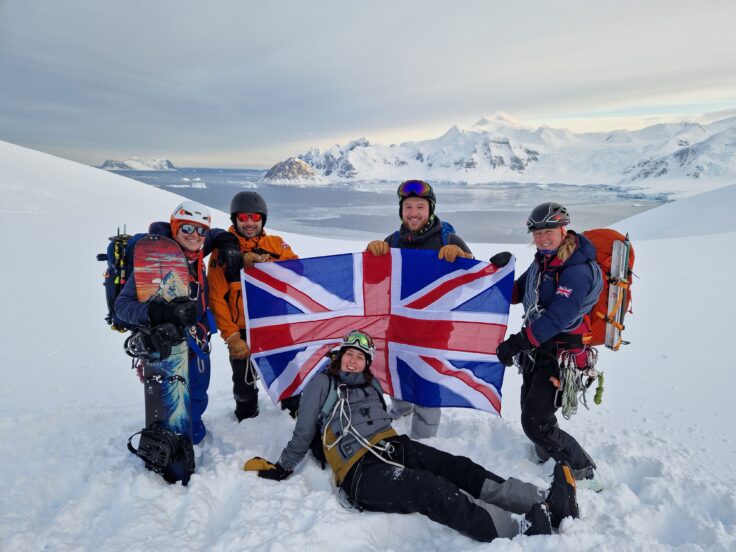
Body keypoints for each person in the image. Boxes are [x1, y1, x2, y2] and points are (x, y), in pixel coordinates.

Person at [249, 330, 579, 542]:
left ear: (367, 363)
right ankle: (512, 530)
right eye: (348, 353)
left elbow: (386, 414)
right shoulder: (322, 384)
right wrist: (284, 466)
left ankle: (540, 502)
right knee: (428, 488)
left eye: (361, 357)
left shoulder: (372, 384)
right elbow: (304, 431)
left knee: (458, 467)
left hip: (394, 445)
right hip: (360, 471)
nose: (353, 359)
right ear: (339, 355)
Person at [495, 202, 603, 491]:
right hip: (537, 351)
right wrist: (498, 273)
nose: (542, 237)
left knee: (536, 420)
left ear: (562, 229)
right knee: (530, 411)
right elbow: (519, 292)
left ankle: (582, 468)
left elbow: (559, 317)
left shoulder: (576, 269)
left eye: (548, 231)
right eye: (537, 232)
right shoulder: (542, 262)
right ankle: (546, 454)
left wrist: (517, 343)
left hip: (560, 354)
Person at [115, 200, 239, 444]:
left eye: (200, 230)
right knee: (172, 400)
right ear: (174, 228)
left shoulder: (198, 251)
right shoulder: (154, 262)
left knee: (198, 395)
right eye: (187, 228)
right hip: (166, 347)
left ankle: (192, 431)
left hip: (197, 340)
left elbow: (212, 234)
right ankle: (172, 442)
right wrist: (159, 313)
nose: (195, 235)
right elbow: (122, 307)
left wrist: (226, 240)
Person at [365, 179, 473, 439]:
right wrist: (371, 256)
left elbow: (472, 279)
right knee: (397, 369)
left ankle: (423, 437)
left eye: (420, 207)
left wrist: (460, 257)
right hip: (399, 322)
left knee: (426, 379)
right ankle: (401, 409)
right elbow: (372, 281)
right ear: (401, 211)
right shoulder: (392, 240)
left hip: (434, 326)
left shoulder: (448, 237)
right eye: (408, 207)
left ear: (430, 209)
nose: (414, 212)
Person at [208, 191, 299, 422]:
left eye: (255, 218)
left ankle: (294, 415)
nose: (249, 223)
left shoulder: (276, 244)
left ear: (263, 219)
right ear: (235, 219)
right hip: (242, 329)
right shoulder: (224, 251)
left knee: (288, 372)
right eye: (243, 217)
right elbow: (217, 298)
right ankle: (247, 420)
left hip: (274, 324)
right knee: (243, 383)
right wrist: (231, 337)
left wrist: (267, 263)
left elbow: (298, 271)